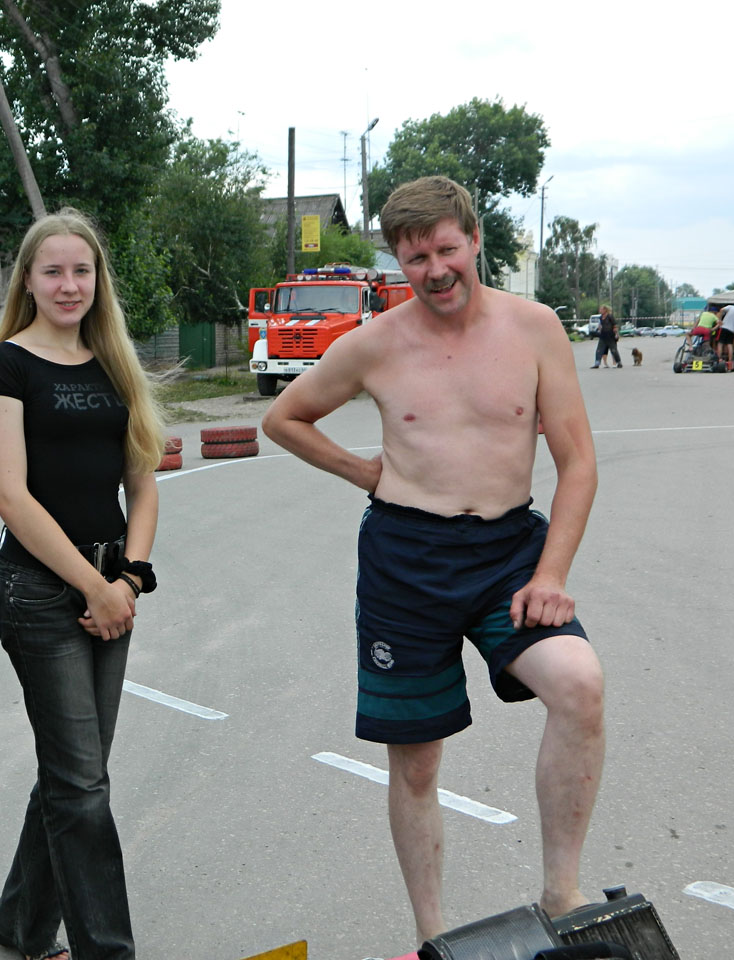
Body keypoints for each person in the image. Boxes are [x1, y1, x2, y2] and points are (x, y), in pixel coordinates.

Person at [262, 176, 604, 945]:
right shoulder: (374, 344)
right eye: (416, 258)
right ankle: (434, 937)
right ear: (398, 261)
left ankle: (563, 895)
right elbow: (284, 418)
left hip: (509, 553)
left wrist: (550, 575)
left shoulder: (535, 329)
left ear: (474, 241)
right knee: (416, 762)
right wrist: (364, 471)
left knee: (579, 686)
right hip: (405, 561)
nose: (436, 270)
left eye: (447, 250)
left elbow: (578, 463)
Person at [0, 208, 163, 960]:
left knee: (75, 773)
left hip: (112, 585)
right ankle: (106, 951)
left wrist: (130, 579)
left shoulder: (115, 362)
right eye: (52, 271)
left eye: (81, 270)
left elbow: (142, 484)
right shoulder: (7, 367)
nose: (68, 284)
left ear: (97, 279)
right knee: (82, 783)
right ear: (28, 279)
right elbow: (12, 498)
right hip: (43, 592)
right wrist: (93, 586)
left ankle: (19, 924)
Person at [718, 301, 734, 367]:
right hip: (731, 330)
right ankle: (730, 360)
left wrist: (719, 320)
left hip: (724, 327)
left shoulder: (730, 307)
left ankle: (719, 359)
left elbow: (721, 310)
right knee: (730, 345)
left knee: (720, 343)